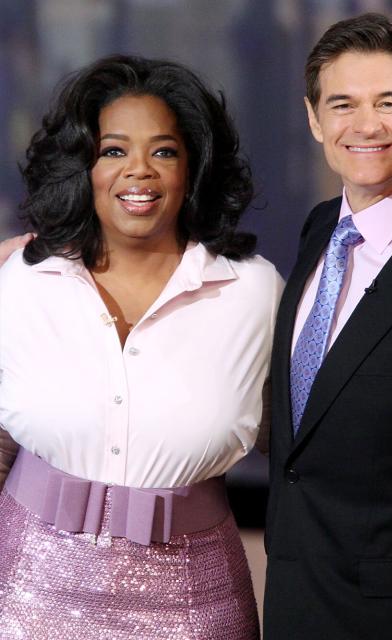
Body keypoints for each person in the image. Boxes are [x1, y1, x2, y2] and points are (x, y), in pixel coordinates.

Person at [0, 55, 283, 638]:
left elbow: (302, 456)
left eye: (163, 151)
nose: (139, 172)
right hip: (24, 594)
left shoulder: (256, 291)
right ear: (84, 166)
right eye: (113, 151)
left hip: (194, 604)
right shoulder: (19, 280)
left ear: (193, 167)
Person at [261, 13, 392, 640]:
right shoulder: (319, 228)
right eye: (342, 104)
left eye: (387, 102)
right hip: (294, 597)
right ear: (314, 119)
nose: (364, 126)